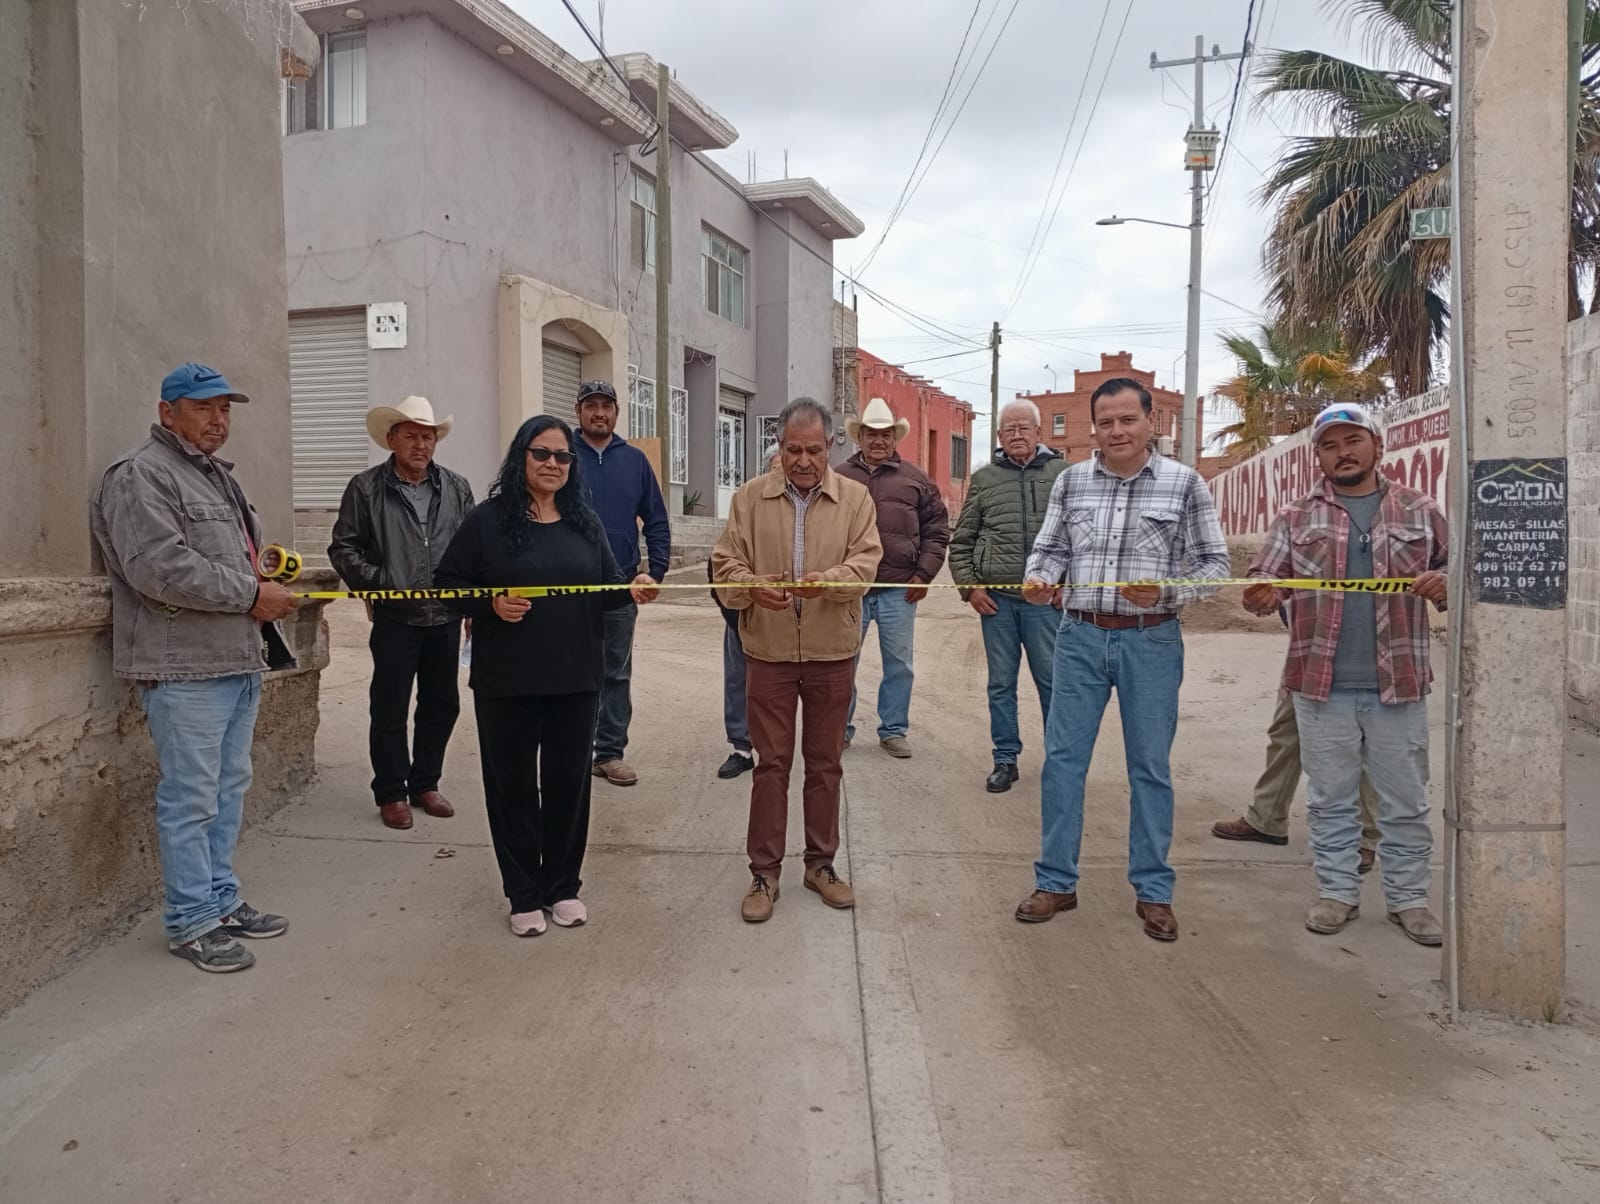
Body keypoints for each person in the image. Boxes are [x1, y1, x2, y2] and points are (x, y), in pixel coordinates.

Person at [90, 363, 297, 973]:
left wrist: (262, 585)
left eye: (226, 409)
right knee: (190, 799)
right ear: (167, 412)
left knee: (227, 790)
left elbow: (224, 564)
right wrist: (251, 596)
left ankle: (220, 900)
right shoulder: (141, 476)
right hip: (183, 669)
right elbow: (157, 570)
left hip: (234, 659)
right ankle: (191, 921)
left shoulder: (214, 479)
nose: (218, 420)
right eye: (204, 407)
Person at [1015, 378, 1230, 941]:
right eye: (1105, 422)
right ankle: (1056, 881)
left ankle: (1154, 891)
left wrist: (1165, 592)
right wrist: (1040, 578)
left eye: (1127, 420)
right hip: (1080, 636)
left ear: (1150, 422)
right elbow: (1050, 548)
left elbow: (1214, 566)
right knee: (1063, 762)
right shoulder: (1071, 482)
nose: (1116, 431)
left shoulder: (1184, 485)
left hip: (1151, 640)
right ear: (1093, 427)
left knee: (1150, 768)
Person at [435, 416, 658, 937]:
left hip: (576, 679)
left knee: (568, 786)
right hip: (506, 681)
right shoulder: (488, 521)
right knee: (511, 787)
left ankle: (562, 886)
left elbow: (607, 587)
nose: (553, 464)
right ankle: (523, 893)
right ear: (521, 458)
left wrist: (635, 587)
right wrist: (488, 603)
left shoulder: (586, 522)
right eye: (542, 454)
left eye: (563, 457)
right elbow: (446, 585)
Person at [1243, 402, 1449, 945]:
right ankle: (1337, 893)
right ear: (1319, 457)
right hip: (1319, 684)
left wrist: (1446, 583)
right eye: (1330, 445)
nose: (1343, 453)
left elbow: (1461, 569)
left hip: (1398, 685)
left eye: (1353, 440)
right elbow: (1266, 575)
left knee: (1407, 801)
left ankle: (1410, 900)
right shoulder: (1296, 516)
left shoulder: (1420, 510)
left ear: (1377, 446)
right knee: (1329, 799)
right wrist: (1262, 592)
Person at [711, 398, 882, 923]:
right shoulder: (748, 500)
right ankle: (763, 874)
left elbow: (867, 563)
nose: (803, 459)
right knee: (770, 766)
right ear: (778, 448)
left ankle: (820, 864)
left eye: (813, 449)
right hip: (769, 654)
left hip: (834, 653)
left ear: (830, 446)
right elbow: (724, 566)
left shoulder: (856, 499)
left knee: (825, 765)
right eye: (792, 449)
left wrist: (826, 583)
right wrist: (752, 590)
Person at [329, 396, 474, 831]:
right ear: (391, 440)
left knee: (441, 704)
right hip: (396, 619)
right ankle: (391, 791)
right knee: (389, 706)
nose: (420, 444)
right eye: (410, 435)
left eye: (427, 436)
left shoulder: (457, 488)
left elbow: (471, 550)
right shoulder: (366, 488)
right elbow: (343, 548)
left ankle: (425, 783)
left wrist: (471, 604)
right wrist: (381, 582)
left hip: (445, 616)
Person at [948, 399, 1068, 792]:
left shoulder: (1063, 475)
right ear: (999, 437)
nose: (1017, 435)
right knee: (1001, 683)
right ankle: (1005, 759)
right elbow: (961, 542)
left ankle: (1061, 760)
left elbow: (1079, 540)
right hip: (996, 603)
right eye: (1009, 430)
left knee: (1052, 682)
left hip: (1044, 603)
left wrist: (1066, 585)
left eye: (1024, 428)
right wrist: (971, 588)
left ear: (1039, 433)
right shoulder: (984, 480)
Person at [1210, 610, 1383, 874]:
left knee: (1359, 741)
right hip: (1311, 646)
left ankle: (1363, 838)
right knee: (1286, 731)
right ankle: (1266, 818)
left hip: (1362, 647)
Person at [836, 397, 950, 758]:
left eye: (885, 435)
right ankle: (839, 729)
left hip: (899, 590)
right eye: (872, 434)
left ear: (894, 438)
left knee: (899, 664)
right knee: (842, 661)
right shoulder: (839, 477)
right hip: (851, 590)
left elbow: (937, 529)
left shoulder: (915, 480)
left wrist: (924, 575)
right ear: (861, 437)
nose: (879, 441)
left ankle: (894, 730)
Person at [571, 378, 671, 788]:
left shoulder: (634, 461)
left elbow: (658, 521)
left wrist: (656, 572)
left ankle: (609, 753)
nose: (599, 412)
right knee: (568, 672)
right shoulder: (561, 455)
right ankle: (571, 753)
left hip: (621, 587)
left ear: (616, 412)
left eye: (606, 405)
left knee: (616, 672)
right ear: (578, 411)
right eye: (590, 405)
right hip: (568, 590)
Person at [711, 445, 782, 780]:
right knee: (738, 679)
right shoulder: (747, 505)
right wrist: (735, 606)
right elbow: (722, 564)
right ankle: (741, 747)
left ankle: (776, 750)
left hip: (790, 619)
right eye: (777, 466)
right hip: (744, 611)